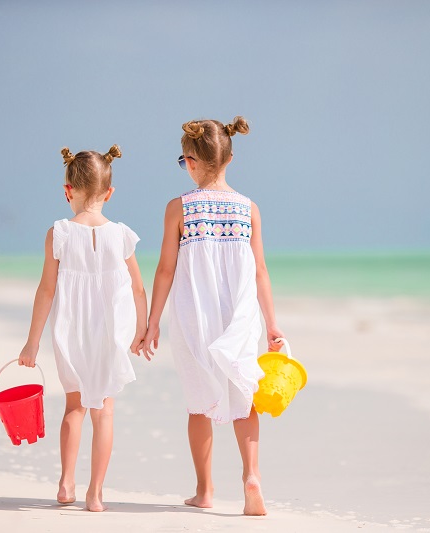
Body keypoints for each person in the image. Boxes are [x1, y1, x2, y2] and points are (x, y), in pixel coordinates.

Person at [141, 117, 285, 516]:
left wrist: (152, 322)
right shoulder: (248, 208)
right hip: (240, 316)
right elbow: (260, 271)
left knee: (199, 402)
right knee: (245, 397)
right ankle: (251, 476)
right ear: (230, 158)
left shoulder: (179, 207)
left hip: (194, 317)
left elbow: (165, 270)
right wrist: (271, 324)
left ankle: (204, 490)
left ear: (190, 160)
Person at [18, 144, 148, 511]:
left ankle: (65, 482)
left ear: (67, 190)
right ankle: (95, 494)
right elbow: (138, 287)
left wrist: (32, 344)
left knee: (73, 407)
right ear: (109, 192)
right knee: (103, 412)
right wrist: (142, 330)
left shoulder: (58, 233)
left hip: (70, 332)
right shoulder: (122, 234)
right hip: (110, 334)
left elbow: (46, 290)